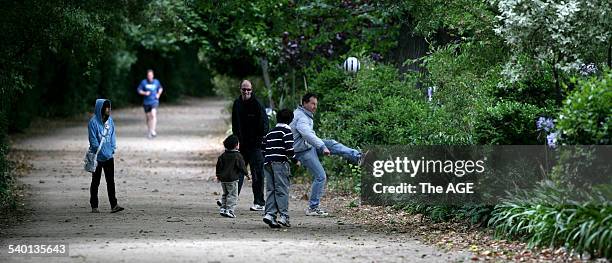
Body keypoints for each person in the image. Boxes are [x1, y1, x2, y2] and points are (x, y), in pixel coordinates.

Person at [290, 93, 365, 216]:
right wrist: (322, 146)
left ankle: (358, 156)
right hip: (303, 151)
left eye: (316, 104)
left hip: (308, 145)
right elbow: (307, 134)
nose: (315, 107)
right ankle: (313, 208)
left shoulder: (304, 114)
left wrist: (323, 145)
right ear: (304, 103)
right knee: (321, 176)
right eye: (312, 104)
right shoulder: (301, 117)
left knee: (332, 143)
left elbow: (310, 136)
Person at [231, 80, 269, 211]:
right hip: (242, 145)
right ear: (240, 89)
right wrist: (236, 141)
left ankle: (259, 202)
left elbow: (265, 123)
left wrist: (259, 140)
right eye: (244, 89)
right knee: (237, 172)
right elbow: (235, 124)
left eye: (248, 90)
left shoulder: (257, 104)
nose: (246, 92)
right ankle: (231, 199)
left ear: (252, 90)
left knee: (257, 173)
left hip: (255, 146)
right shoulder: (237, 104)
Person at [261, 109, 299, 228]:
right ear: (290, 120)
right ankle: (284, 216)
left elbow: (263, 148)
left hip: (267, 162)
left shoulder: (270, 132)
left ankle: (270, 214)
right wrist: (295, 160)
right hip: (280, 163)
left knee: (271, 189)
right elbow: (289, 149)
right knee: (281, 189)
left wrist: (268, 157)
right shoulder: (286, 131)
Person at [88, 99, 124, 213]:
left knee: (110, 181)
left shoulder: (110, 121)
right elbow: (93, 141)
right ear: (101, 109)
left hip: (109, 156)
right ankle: (94, 205)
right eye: (106, 107)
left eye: (109, 107)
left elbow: (113, 135)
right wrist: (101, 152)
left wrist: (113, 148)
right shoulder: (93, 123)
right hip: (97, 157)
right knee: (96, 182)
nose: (109, 109)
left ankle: (114, 205)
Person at [215, 135, 248, 218]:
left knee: (225, 194)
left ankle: (223, 208)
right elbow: (242, 166)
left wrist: (218, 175)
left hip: (223, 179)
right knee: (233, 195)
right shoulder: (238, 156)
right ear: (236, 145)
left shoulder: (222, 156)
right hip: (232, 179)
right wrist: (247, 174)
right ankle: (230, 210)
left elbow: (218, 166)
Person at [136, 69, 164, 139]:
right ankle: (150, 131)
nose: (150, 77)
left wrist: (158, 94)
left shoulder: (156, 82)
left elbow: (160, 88)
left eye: (151, 75)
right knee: (148, 118)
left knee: (153, 114)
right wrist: (145, 93)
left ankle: (153, 130)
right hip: (146, 102)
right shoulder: (144, 82)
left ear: (153, 75)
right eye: (148, 75)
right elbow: (139, 90)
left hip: (154, 101)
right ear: (147, 76)